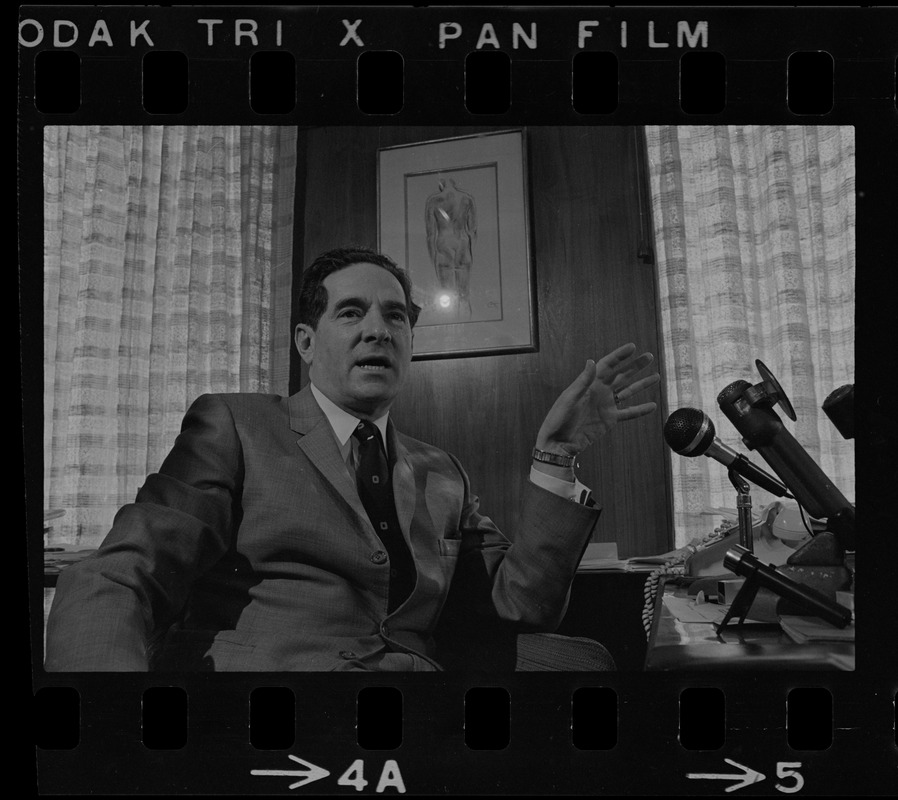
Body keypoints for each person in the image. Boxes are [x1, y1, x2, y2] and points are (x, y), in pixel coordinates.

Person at [44, 246, 659, 672]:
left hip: (416, 691)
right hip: (275, 696)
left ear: (411, 344)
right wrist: (106, 723)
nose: (378, 330)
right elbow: (122, 571)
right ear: (306, 343)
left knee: (584, 664)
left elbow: (520, 603)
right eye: (351, 312)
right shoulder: (236, 425)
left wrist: (554, 458)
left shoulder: (441, 470)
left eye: (395, 316)